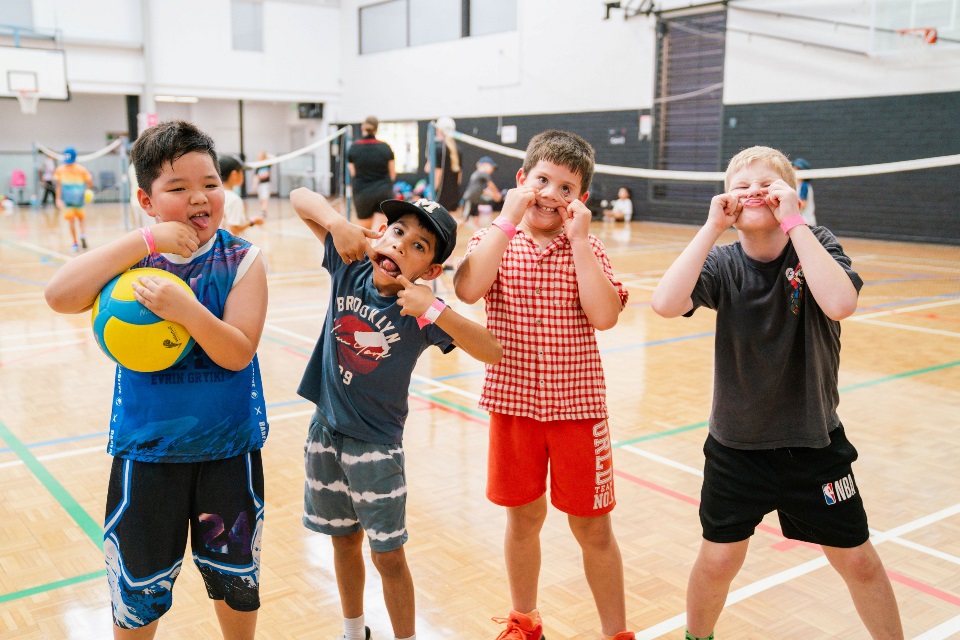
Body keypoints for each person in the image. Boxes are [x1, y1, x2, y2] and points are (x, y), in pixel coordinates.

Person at [650, 146, 902, 640]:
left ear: (789, 195)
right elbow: (664, 303)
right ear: (728, 201)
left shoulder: (817, 242)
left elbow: (840, 303)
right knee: (718, 559)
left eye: (767, 183)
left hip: (814, 445)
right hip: (736, 448)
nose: (753, 191)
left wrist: (796, 223)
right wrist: (709, 230)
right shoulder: (722, 263)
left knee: (860, 563)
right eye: (741, 186)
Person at [44, 120, 270, 640]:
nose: (200, 198)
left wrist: (187, 311)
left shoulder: (242, 260)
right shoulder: (134, 260)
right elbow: (60, 295)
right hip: (145, 455)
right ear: (147, 200)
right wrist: (143, 240)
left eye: (210, 184)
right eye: (178, 188)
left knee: (236, 582)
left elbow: (237, 352)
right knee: (137, 592)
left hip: (227, 453)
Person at [289, 188, 502, 640]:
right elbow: (298, 197)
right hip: (324, 434)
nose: (402, 245)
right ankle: (353, 631)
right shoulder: (348, 267)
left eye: (419, 247)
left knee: (388, 555)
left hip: (377, 450)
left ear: (430, 271)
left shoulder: (420, 312)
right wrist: (337, 222)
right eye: (397, 232)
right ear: (380, 234)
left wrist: (436, 308)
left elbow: (492, 351)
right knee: (343, 541)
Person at [453, 130, 635, 640]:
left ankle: (616, 632)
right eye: (543, 180)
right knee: (523, 519)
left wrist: (578, 242)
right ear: (520, 181)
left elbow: (605, 316)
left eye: (567, 188)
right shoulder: (494, 239)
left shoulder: (589, 246)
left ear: (580, 200)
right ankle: (524, 619)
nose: (552, 194)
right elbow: (468, 289)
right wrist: (507, 220)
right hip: (513, 405)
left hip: (578, 409)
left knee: (594, 529)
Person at [348, 115, 396, 231]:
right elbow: (392, 174)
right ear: (377, 129)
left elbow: (353, 173)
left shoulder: (354, 148)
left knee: (365, 231)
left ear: (363, 128)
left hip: (363, 193)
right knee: (383, 231)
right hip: (383, 192)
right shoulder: (385, 147)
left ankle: (366, 250)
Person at [54, 146, 94, 251]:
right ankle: (83, 234)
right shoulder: (81, 169)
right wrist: (85, 191)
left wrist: (58, 199)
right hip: (79, 198)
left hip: (67, 200)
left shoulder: (60, 169)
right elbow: (90, 183)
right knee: (82, 219)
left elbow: (58, 186)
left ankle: (75, 242)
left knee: (71, 221)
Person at [219, 154, 264, 236]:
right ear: (234, 175)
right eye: (242, 172)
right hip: (231, 246)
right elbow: (234, 229)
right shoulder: (234, 199)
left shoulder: (217, 195)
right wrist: (253, 221)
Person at [424, 117, 461, 214]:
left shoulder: (438, 148)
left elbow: (437, 172)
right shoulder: (457, 149)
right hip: (453, 193)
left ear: (440, 130)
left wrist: (432, 193)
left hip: (440, 195)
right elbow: (459, 176)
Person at [460, 156, 503, 229]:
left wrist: (492, 195)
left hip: (475, 200)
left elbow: (480, 190)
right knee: (464, 219)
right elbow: (491, 185)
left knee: (476, 218)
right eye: (491, 167)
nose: (492, 170)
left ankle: (478, 235)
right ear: (485, 165)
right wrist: (497, 194)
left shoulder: (477, 174)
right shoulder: (483, 173)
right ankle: (450, 235)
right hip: (470, 199)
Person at [792, 157, 817, 225]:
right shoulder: (798, 185)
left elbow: (803, 204)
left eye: (797, 169)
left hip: (806, 221)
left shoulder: (804, 186)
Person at [254, 151, 272, 218]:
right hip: (260, 185)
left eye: (260, 156)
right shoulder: (258, 166)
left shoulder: (267, 164)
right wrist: (254, 185)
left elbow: (274, 158)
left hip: (266, 184)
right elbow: (256, 176)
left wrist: (266, 154)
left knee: (265, 198)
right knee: (261, 199)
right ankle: (263, 211)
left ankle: (263, 212)